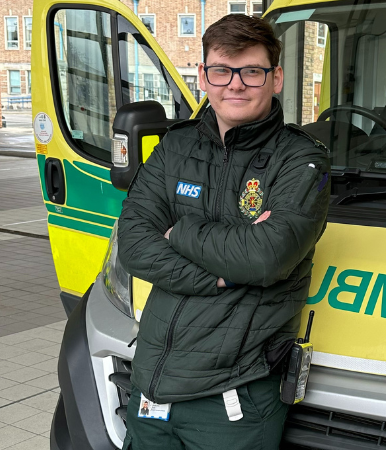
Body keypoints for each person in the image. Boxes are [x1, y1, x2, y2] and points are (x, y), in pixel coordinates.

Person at [117, 13, 330, 450]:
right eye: (222, 71)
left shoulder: (301, 161)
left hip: (233, 396)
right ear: (203, 76)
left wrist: (178, 233)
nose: (235, 84)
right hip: (150, 382)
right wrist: (219, 274)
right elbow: (134, 244)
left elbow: (267, 256)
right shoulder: (175, 146)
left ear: (276, 78)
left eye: (251, 71)